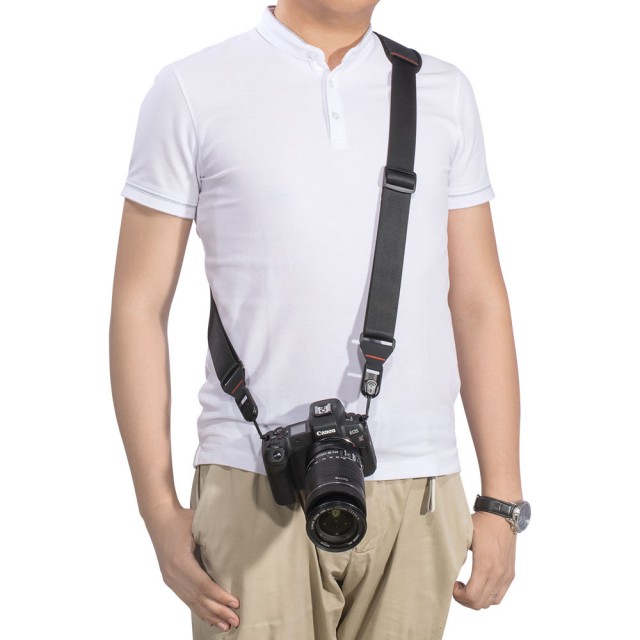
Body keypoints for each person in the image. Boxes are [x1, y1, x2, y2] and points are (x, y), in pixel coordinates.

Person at [110, 2, 528, 638]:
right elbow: (138, 306)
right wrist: (157, 510)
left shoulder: (442, 91)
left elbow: (478, 300)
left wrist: (502, 499)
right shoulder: (193, 89)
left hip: (419, 488)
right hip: (254, 478)